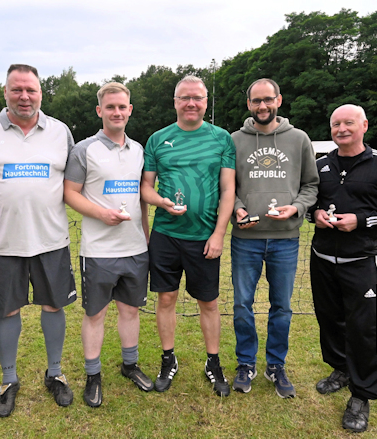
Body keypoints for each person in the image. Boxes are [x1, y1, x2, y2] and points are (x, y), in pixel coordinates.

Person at [0, 64, 77, 416]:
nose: (24, 96)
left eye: (31, 90)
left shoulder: (61, 131)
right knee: (7, 309)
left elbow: (71, 181)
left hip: (52, 239)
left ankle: (55, 373)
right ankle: (8, 380)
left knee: (54, 305)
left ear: (41, 92)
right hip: (4, 243)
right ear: (5, 93)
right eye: (17, 90)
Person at [310, 104, 377, 432]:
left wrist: (363, 220)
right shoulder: (321, 164)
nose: (341, 128)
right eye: (336, 124)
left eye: (348, 123)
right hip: (322, 258)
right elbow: (309, 201)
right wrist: (316, 215)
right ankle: (341, 369)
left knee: (362, 328)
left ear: (364, 125)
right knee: (329, 320)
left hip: (362, 260)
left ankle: (362, 394)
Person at [140, 75, 236, 397]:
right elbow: (145, 188)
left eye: (197, 98)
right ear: (175, 102)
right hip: (166, 235)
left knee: (208, 302)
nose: (191, 103)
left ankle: (213, 362)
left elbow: (228, 189)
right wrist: (161, 202)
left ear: (206, 102)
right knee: (165, 299)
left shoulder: (222, 139)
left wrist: (219, 233)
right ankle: (168, 359)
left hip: (205, 237)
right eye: (185, 98)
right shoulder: (157, 139)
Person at [64, 82, 153, 407]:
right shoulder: (84, 150)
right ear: (100, 111)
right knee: (96, 314)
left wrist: (144, 233)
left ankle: (130, 365)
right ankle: (93, 375)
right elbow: (70, 192)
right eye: (110, 107)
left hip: (134, 249)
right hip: (98, 251)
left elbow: (140, 197)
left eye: (122, 107)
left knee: (130, 310)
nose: (117, 112)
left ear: (130, 110)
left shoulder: (139, 150)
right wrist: (102, 214)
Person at [230, 78, 319, 398]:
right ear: (249, 104)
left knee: (281, 306)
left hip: (285, 239)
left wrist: (296, 208)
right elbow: (226, 186)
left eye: (268, 100)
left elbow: (311, 185)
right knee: (242, 304)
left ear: (279, 100)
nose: (262, 106)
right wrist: (237, 210)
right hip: (246, 238)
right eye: (256, 101)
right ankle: (245, 363)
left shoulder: (299, 139)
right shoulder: (235, 140)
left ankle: (276, 365)